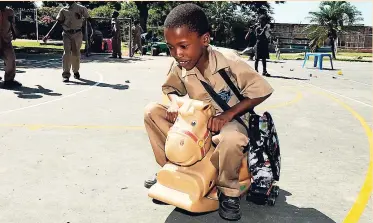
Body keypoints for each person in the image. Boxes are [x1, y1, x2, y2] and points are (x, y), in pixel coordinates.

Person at [143, 3, 273, 221]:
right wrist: (175, 102)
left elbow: (262, 91)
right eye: (171, 47)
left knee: (231, 138)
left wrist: (227, 115)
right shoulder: (180, 65)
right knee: (152, 112)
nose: (177, 54)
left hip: (232, 119)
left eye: (183, 46)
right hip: (196, 122)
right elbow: (170, 89)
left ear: (204, 40)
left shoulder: (229, 61)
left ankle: (228, 192)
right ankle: (171, 170)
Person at [42, 1, 93, 82]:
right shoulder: (63, 10)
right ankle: (66, 74)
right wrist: (48, 34)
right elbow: (58, 23)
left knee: (76, 53)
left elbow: (89, 19)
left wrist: (91, 33)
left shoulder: (81, 8)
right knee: (66, 54)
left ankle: (76, 71)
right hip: (66, 34)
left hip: (77, 33)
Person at [0, 3, 22, 88]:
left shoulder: (9, 11)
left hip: (6, 39)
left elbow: (12, 24)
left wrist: (15, 33)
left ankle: (9, 80)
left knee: (10, 59)